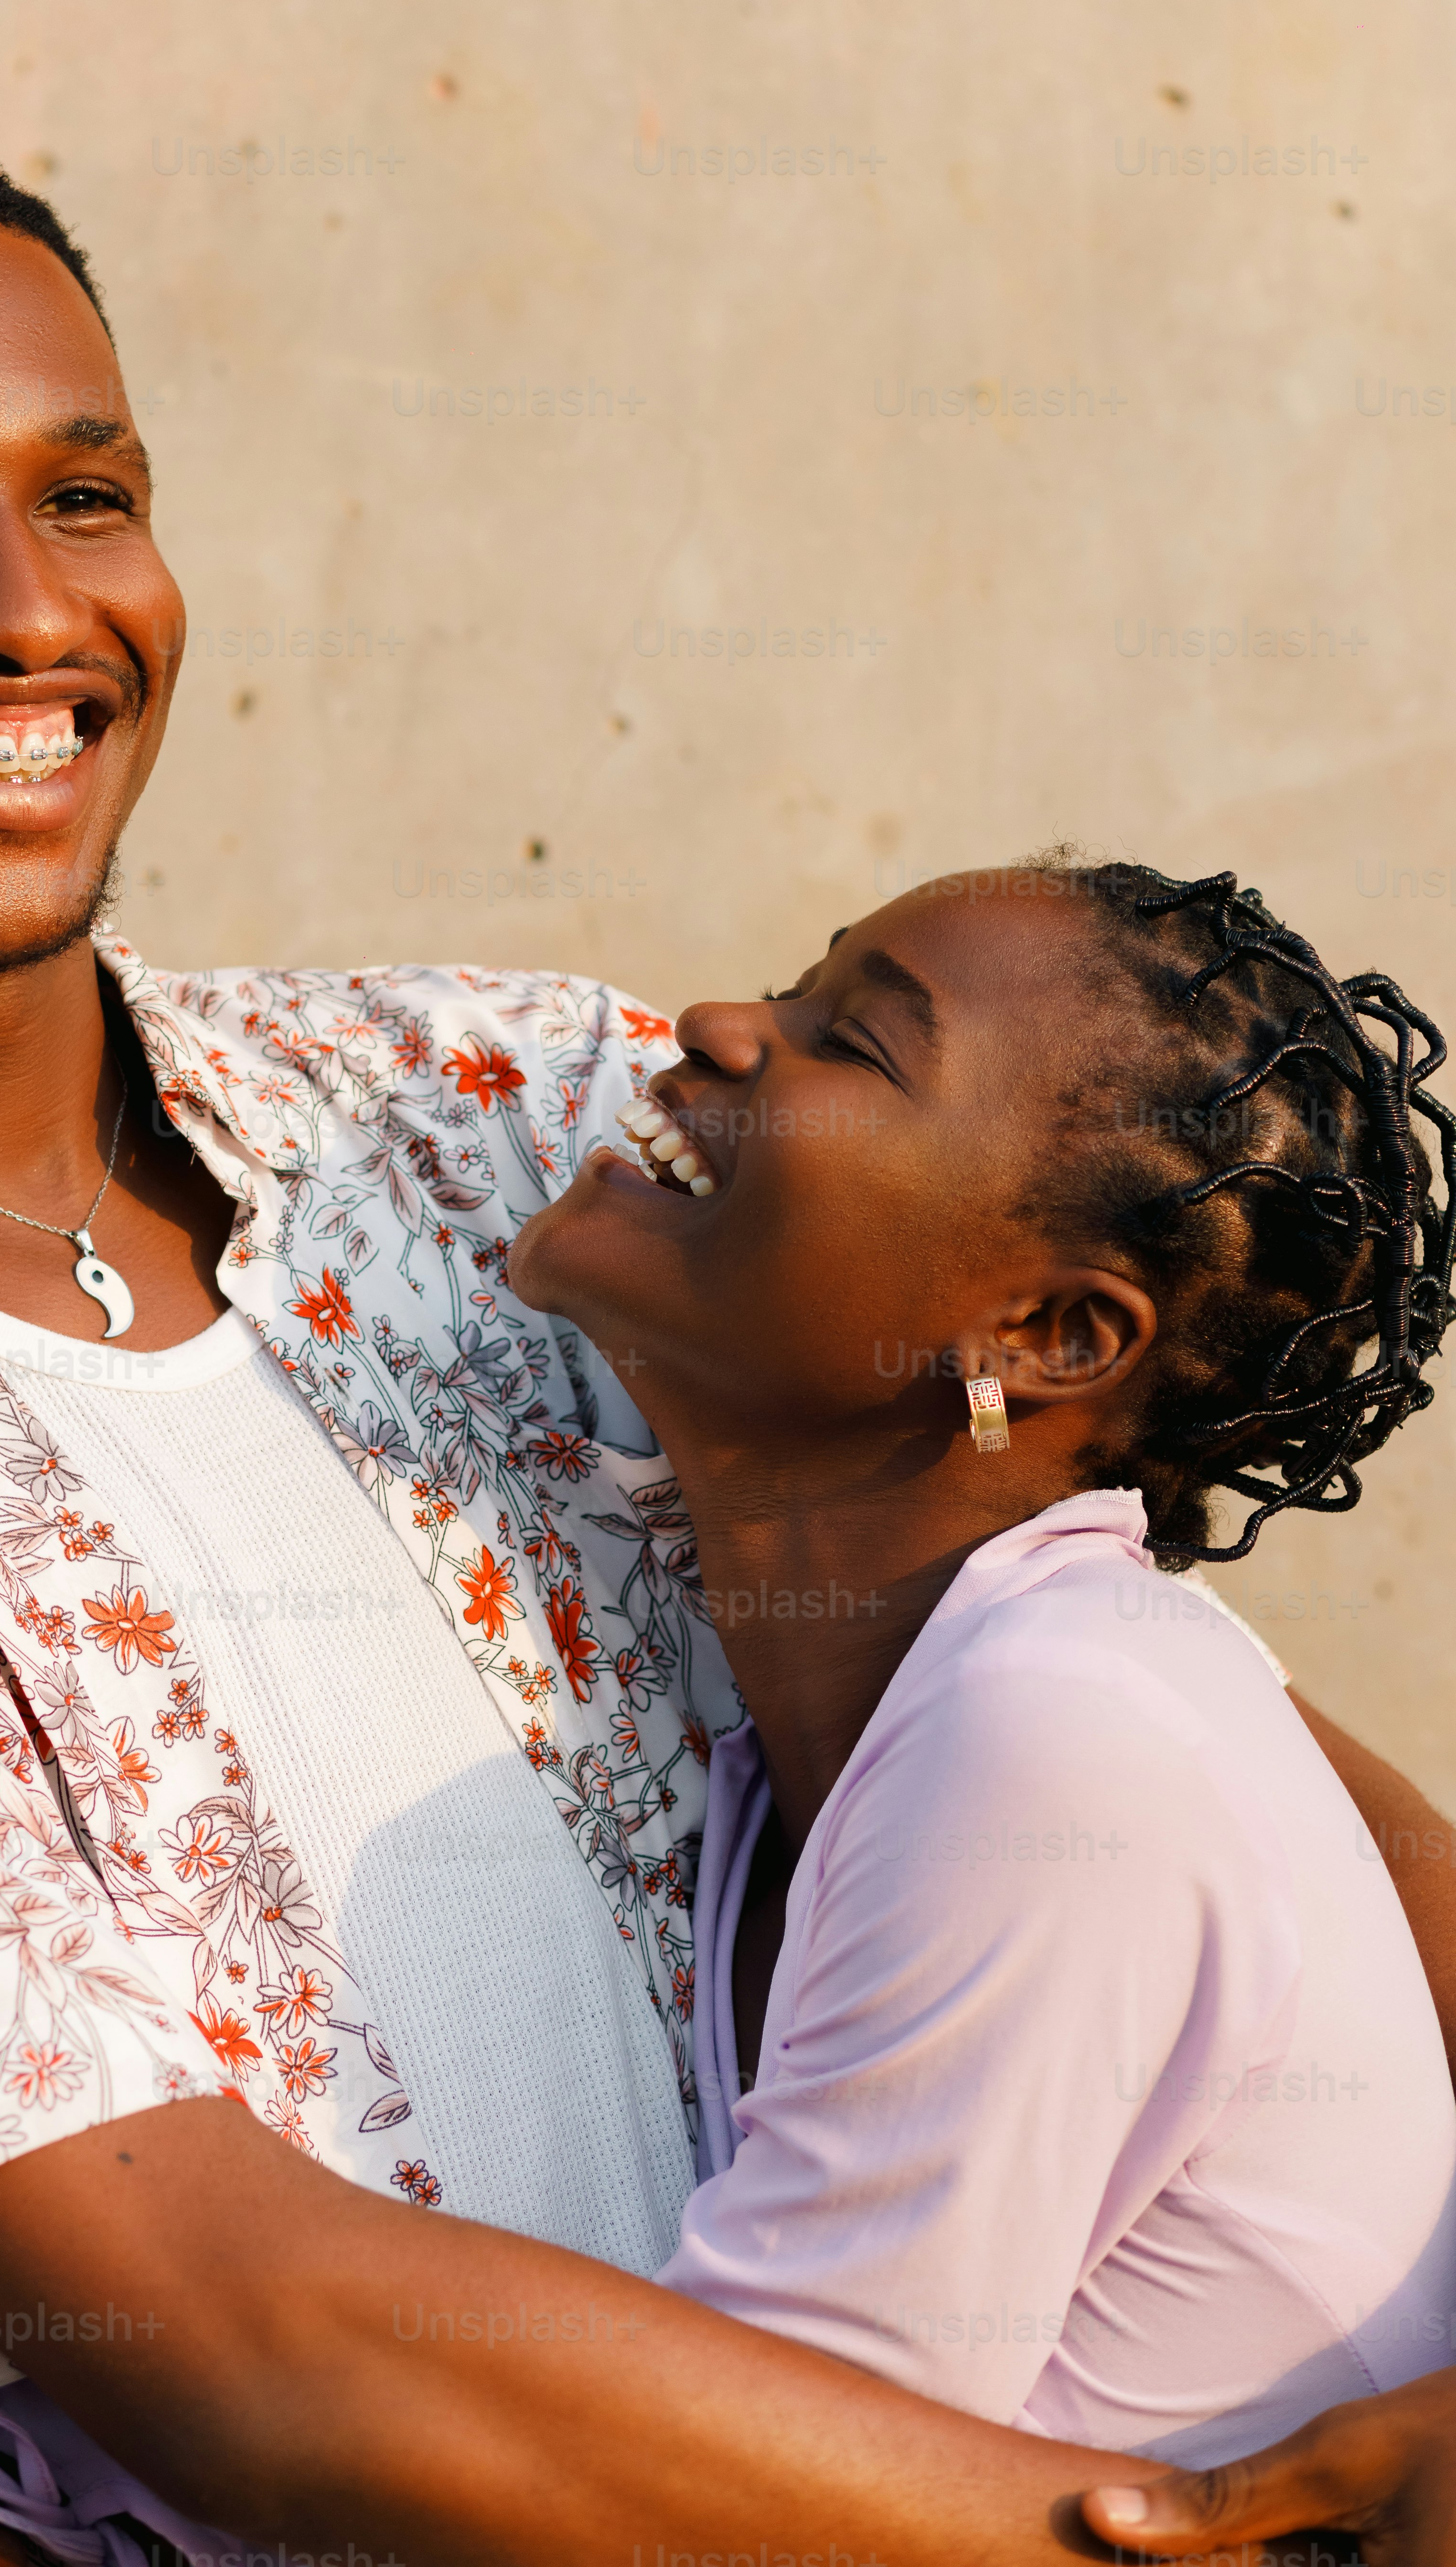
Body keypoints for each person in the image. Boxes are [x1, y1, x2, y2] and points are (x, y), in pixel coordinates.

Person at [0, 128, 1456, 2567]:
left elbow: (1205, 1776)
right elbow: (263, 2358)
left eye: (90, 495)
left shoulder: (502, 1115)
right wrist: (1237, 2541)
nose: (22, 610)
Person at [510, 859, 1456, 2459]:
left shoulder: (1059, 1731)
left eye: (855, 1044)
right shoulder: (838, 1741)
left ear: (1048, 1338)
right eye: (798, 987)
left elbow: (732, 2486)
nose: (722, 1024)